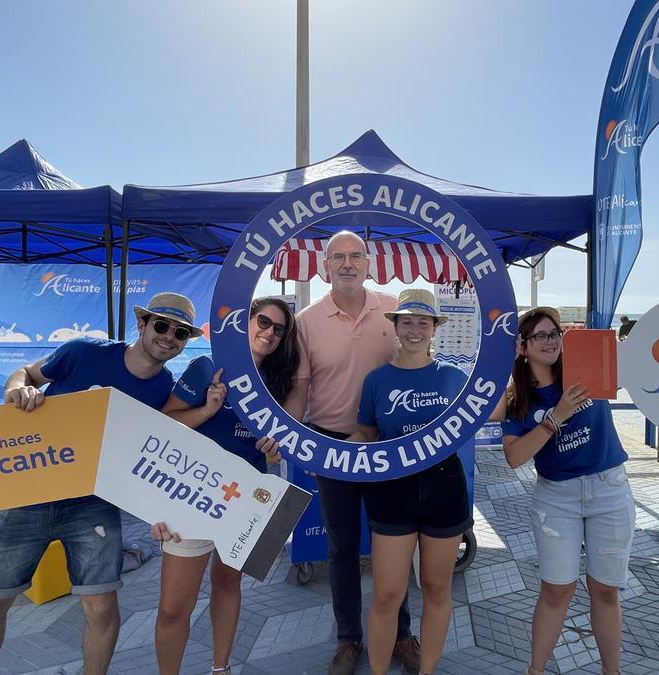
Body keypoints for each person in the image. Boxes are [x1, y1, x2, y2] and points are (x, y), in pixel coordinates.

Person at [0, 292, 198, 675]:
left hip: (93, 501)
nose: (169, 336)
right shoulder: (84, 352)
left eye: (181, 332)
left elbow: (157, 447)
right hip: (25, 493)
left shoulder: (163, 387)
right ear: (141, 324)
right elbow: (26, 373)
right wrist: (17, 390)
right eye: (161, 325)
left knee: (102, 609)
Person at [283, 230, 421, 675]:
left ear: (368, 263)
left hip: (389, 448)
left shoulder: (393, 308)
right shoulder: (306, 320)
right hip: (332, 448)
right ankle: (348, 640)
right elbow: (301, 387)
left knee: (394, 545)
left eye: (355, 256)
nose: (346, 263)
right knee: (341, 548)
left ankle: (401, 634)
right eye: (337, 257)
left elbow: (417, 364)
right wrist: (286, 435)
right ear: (325, 267)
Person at [151, 297, 300, 675]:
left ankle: (221, 668)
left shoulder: (277, 383)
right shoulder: (207, 366)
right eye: (263, 322)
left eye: (278, 329)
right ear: (246, 322)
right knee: (173, 607)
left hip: (245, 499)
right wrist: (207, 409)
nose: (269, 332)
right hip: (192, 495)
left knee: (228, 580)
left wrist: (273, 450)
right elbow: (165, 423)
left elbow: (274, 447)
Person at [501, 307, 634, 675]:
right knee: (557, 590)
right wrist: (555, 417)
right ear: (523, 347)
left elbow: (641, 354)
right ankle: (536, 670)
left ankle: (613, 672)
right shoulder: (518, 400)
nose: (551, 340)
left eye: (554, 333)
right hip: (556, 499)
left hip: (609, 490)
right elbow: (514, 458)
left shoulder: (585, 367)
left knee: (605, 590)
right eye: (539, 335)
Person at [349, 289, 470, 675]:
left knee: (436, 588)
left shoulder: (455, 378)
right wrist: (318, 454)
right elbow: (367, 432)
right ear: (395, 327)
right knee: (387, 594)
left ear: (434, 329)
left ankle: (428, 670)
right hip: (392, 490)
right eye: (407, 321)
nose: (415, 329)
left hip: (444, 487)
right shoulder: (377, 380)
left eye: (423, 322)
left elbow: (495, 408)